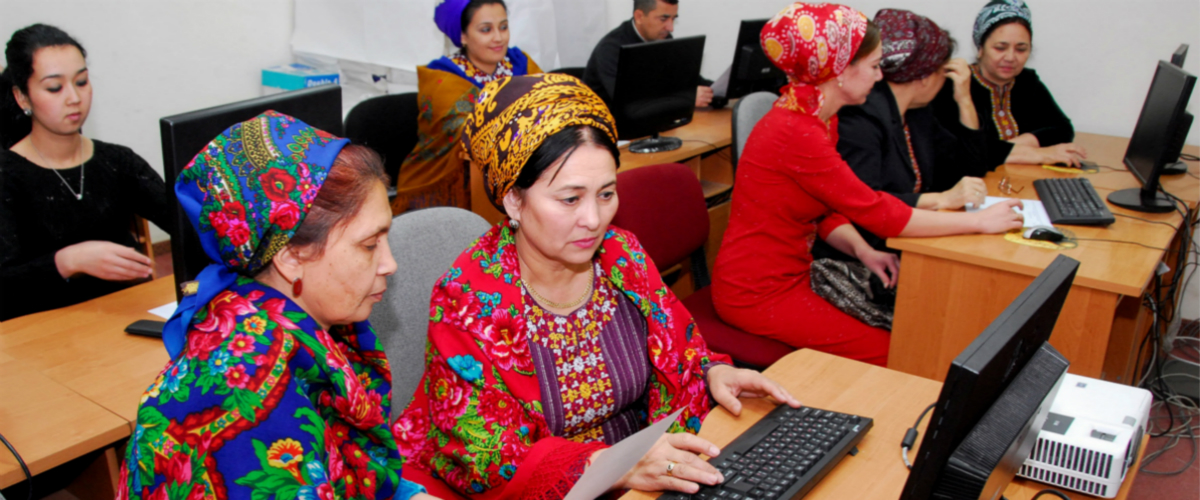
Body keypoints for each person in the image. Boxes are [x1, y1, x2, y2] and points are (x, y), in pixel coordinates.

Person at [393, 74, 799, 499]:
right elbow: (486, 459)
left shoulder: (620, 254)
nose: (594, 219)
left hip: (639, 469)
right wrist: (616, 464)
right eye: (570, 199)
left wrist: (714, 372)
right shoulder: (468, 299)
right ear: (514, 199)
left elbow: (681, 352)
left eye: (606, 194)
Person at [117, 111, 433, 500]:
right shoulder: (251, 389)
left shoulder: (309, 318)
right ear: (289, 257)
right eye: (369, 245)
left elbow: (351, 464)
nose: (390, 264)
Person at [711, 3, 1025, 367]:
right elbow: (878, 211)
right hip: (756, 292)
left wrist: (863, 251)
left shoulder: (816, 116)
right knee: (897, 353)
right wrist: (978, 222)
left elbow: (825, 209)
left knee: (910, 333)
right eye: (875, 67)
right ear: (841, 71)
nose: (880, 78)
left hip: (792, 275)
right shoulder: (797, 130)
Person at [0, 24, 172, 321]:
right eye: (55, 88)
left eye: (81, 82)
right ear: (23, 98)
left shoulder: (118, 161)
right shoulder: (7, 176)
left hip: (119, 319)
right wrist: (66, 262)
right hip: (38, 335)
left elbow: (186, 224)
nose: (74, 98)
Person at [824, 9, 989, 257]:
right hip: (871, 253)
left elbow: (971, 167)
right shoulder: (859, 121)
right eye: (942, 71)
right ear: (923, 77)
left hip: (905, 238)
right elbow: (862, 207)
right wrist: (941, 199)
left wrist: (965, 101)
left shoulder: (917, 112)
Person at [393, 0, 541, 215]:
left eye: (503, 27)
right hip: (448, 188)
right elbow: (468, 132)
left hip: (518, 176)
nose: (498, 37)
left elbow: (552, 106)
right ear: (463, 36)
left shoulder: (521, 64)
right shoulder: (442, 78)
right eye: (486, 29)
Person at [931, 0, 1088, 167]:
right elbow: (960, 148)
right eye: (1000, 48)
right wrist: (1036, 154)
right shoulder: (954, 83)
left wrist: (1013, 146)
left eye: (1021, 49)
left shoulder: (1027, 81)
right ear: (980, 48)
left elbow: (1062, 128)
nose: (1010, 57)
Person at [583, 0, 713, 108]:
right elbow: (631, 102)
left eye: (673, 19)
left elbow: (687, 77)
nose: (670, 27)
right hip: (607, 129)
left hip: (648, 124)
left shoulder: (664, 39)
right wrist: (685, 99)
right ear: (639, 17)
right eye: (664, 19)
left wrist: (722, 89)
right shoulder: (611, 49)